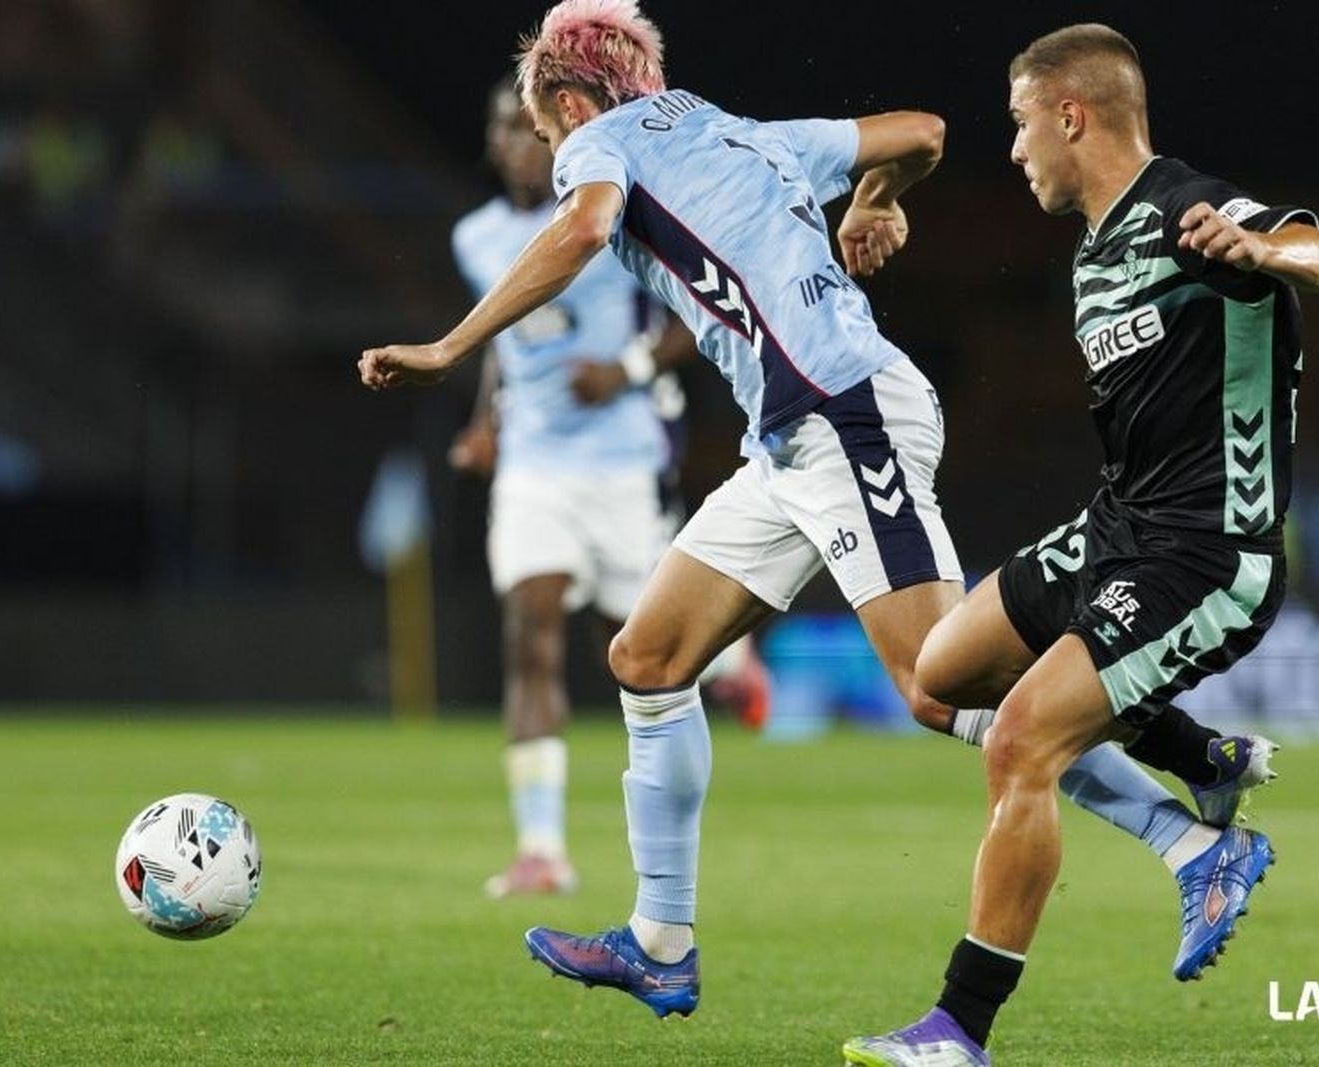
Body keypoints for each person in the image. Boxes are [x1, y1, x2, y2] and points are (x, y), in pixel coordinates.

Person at [360, 0, 1265, 1021]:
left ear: (568, 99)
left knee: (935, 683)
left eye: (545, 126)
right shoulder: (743, 133)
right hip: (789, 438)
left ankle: (1193, 833)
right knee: (647, 658)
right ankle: (661, 940)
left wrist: (448, 346)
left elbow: (583, 225)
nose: (550, 147)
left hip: (844, 419)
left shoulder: (596, 142)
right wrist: (871, 197)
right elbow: (921, 133)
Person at [844, 24, 1319, 1066]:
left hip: (1209, 553)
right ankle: (1201, 767)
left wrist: (1268, 254)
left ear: (1070, 113)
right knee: (938, 676)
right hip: (1119, 526)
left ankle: (957, 1029)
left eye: (1023, 124)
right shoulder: (1092, 251)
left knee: (1021, 737)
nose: (1018, 149)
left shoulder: (1188, 212)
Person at [447, 78, 768, 898]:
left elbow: (695, 315)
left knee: (644, 655)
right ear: (490, 143)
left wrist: (624, 370)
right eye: (506, 128)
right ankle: (541, 847)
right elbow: (504, 335)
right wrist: (487, 421)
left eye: (533, 127)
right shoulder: (475, 237)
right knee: (531, 629)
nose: (522, 141)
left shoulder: (609, 207)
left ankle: (731, 656)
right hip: (533, 469)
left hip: (623, 464)